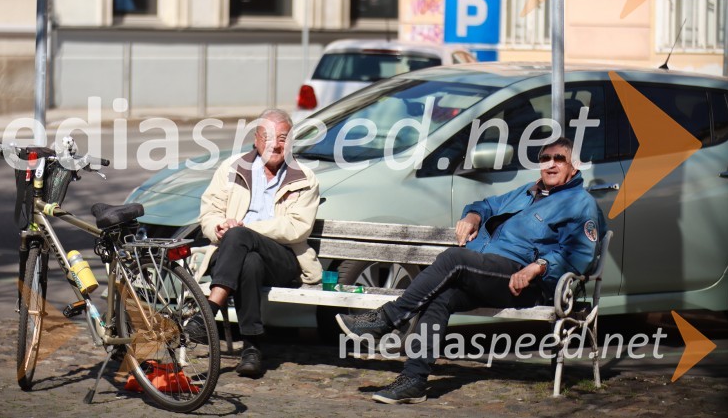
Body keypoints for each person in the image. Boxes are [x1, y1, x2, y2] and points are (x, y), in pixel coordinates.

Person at [336, 137, 604, 404]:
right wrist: (472, 216)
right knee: (441, 296)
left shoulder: (580, 203)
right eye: (545, 159)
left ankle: (387, 318)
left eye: (559, 159)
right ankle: (413, 380)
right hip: (487, 273)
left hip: (524, 281)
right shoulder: (528, 191)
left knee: (455, 258)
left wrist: (539, 266)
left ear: (574, 165)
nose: (551, 165)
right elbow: (487, 205)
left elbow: (580, 254)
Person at [189, 109, 322, 377]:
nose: (276, 144)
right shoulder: (231, 168)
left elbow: (297, 227)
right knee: (249, 261)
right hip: (233, 255)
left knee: (241, 237)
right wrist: (219, 226)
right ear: (256, 139)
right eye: (269, 137)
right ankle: (252, 348)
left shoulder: (304, 177)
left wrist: (245, 229)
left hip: (283, 259)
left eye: (283, 137)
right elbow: (210, 212)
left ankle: (209, 310)